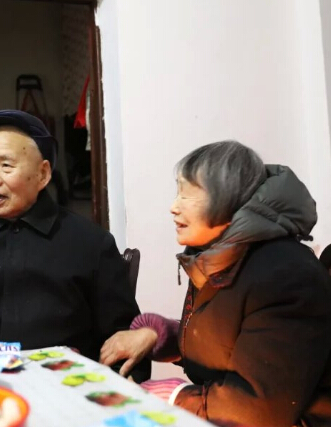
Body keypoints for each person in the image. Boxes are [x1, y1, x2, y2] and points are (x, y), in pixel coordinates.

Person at [0, 109, 150, 380]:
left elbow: (124, 341)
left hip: (66, 390)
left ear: (43, 174)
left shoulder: (91, 244)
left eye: (6, 166)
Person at [99, 141, 331, 427]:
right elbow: (232, 343)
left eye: (187, 195)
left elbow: (258, 408)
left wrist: (172, 396)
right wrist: (159, 336)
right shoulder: (216, 256)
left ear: (228, 197)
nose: (173, 207)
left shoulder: (285, 275)